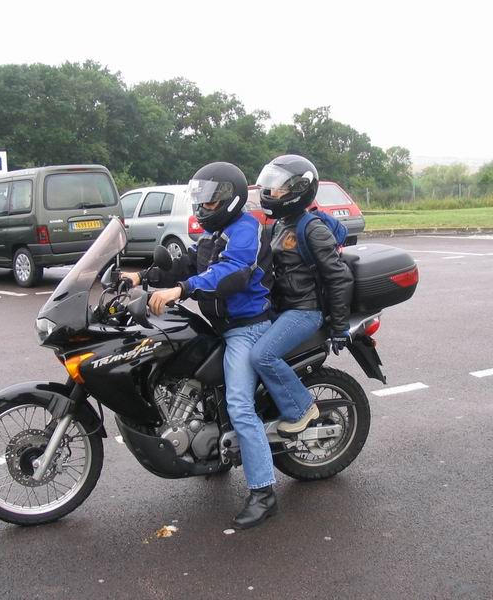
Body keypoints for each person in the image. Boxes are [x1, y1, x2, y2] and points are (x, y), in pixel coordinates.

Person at [121, 162, 279, 529]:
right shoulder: (214, 233)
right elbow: (189, 263)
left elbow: (232, 271)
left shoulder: (245, 230)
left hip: (247, 328)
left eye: (210, 200)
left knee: (240, 406)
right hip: (221, 325)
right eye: (201, 199)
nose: (203, 206)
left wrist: (182, 290)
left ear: (230, 200)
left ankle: (264, 493)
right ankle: (211, 448)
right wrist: (141, 277)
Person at [249, 155, 354, 436]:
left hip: (305, 311)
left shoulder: (312, 228)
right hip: (284, 308)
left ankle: (301, 408)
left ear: (299, 190)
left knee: (263, 356)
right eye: (271, 186)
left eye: (279, 188)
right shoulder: (281, 224)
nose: (272, 193)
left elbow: (339, 277)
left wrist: (340, 326)